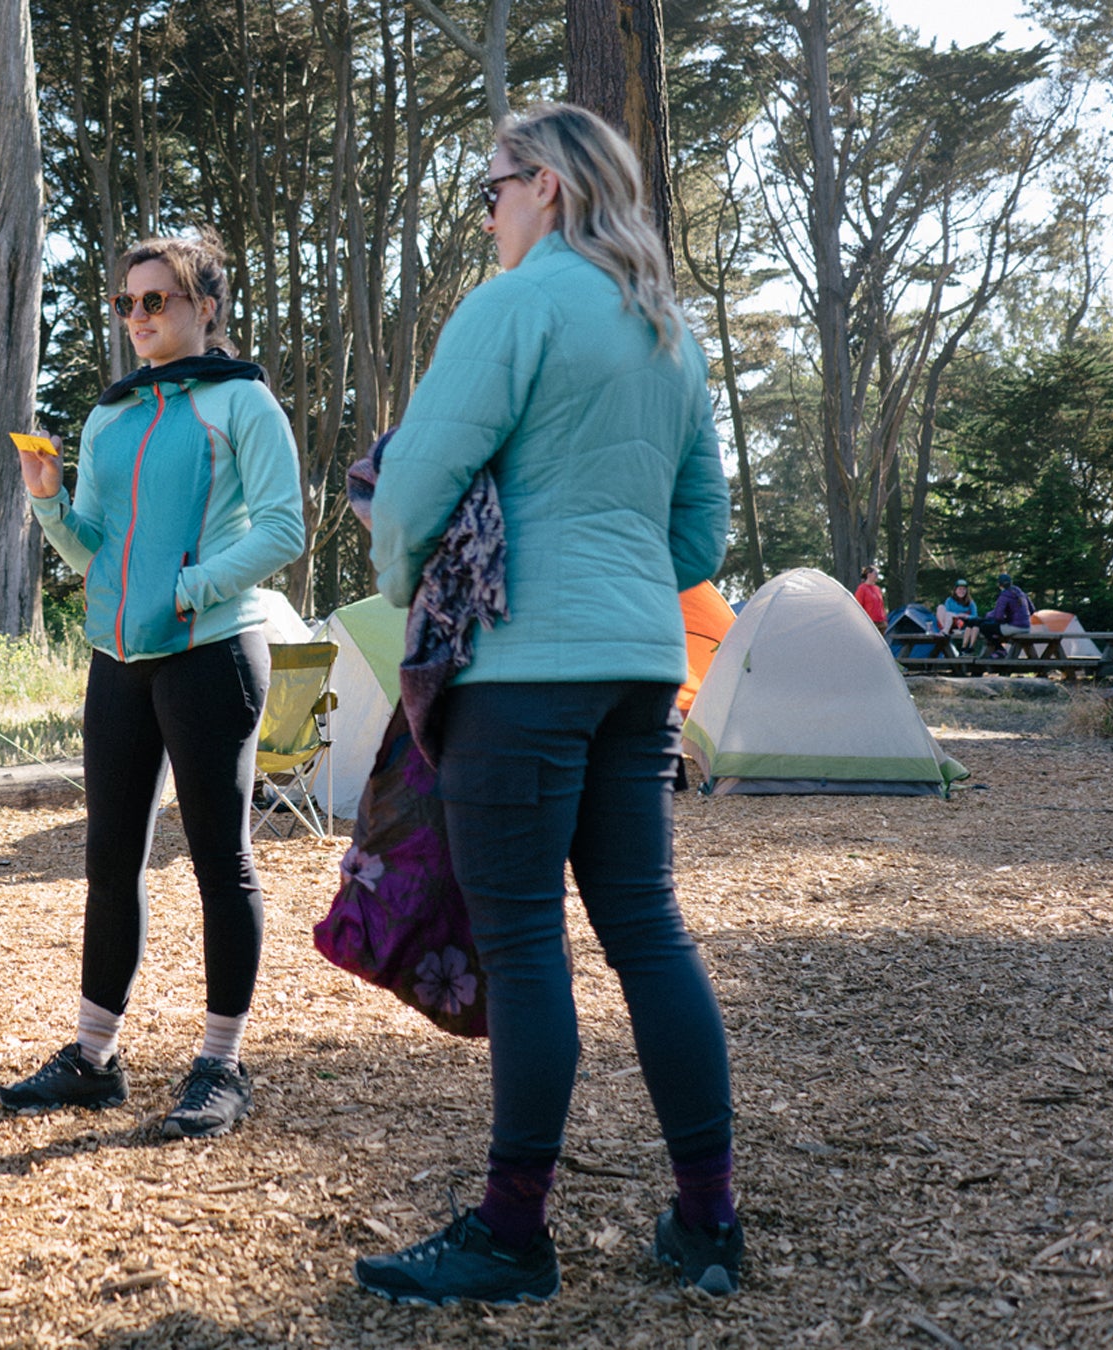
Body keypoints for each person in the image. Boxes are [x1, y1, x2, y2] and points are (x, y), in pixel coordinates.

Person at [357, 103, 740, 1305]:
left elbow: (414, 480)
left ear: (551, 190)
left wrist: (401, 579)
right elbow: (700, 533)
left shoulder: (514, 305)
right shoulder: (669, 330)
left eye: (491, 188)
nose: (485, 211)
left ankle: (514, 1236)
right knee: (648, 931)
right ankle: (707, 1224)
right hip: (638, 671)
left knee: (525, 951)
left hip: (521, 673)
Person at [0, 231, 305, 1141]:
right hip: (118, 661)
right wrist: (51, 501)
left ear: (204, 307)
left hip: (213, 650)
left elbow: (285, 529)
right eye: (128, 303)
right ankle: (93, 1059)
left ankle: (221, 1063)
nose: (138, 317)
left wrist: (189, 587)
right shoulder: (110, 416)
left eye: (157, 300)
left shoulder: (241, 400)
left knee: (220, 861)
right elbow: (93, 545)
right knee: (109, 862)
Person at [982, 572, 1033, 656]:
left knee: (984, 627)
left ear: (999, 584)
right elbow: (1032, 610)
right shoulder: (1021, 593)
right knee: (995, 629)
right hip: (1027, 627)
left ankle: (1000, 650)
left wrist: (989, 615)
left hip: (1015, 627)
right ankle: (999, 652)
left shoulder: (1004, 595)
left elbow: (998, 617)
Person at [938, 578, 979, 653]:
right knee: (941, 607)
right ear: (955, 590)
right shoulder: (949, 600)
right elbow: (946, 613)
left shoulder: (970, 602)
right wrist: (956, 615)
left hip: (961, 624)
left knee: (951, 615)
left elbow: (975, 616)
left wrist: (965, 616)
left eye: (964, 589)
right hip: (949, 621)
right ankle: (945, 630)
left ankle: (946, 632)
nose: (962, 591)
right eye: (959, 589)